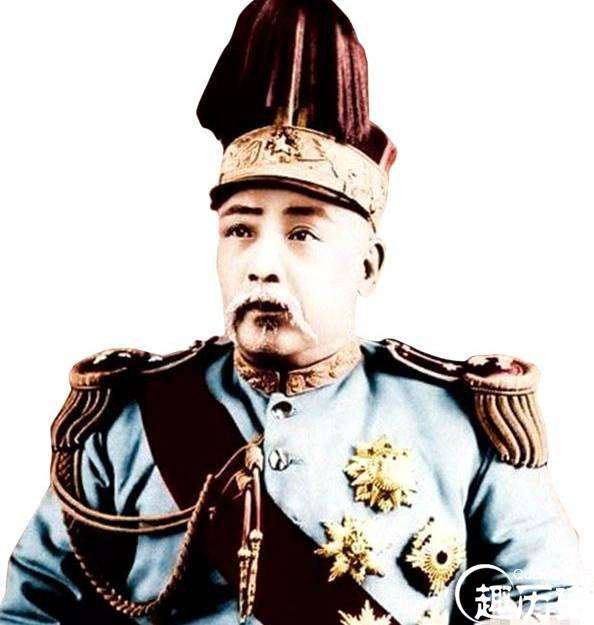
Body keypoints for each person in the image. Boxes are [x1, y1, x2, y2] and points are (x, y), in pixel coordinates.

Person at [0, 1, 581, 624]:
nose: (262, 264)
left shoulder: (462, 424)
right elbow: (30, 609)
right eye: (240, 231)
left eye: (302, 234)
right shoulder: (127, 422)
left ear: (368, 267)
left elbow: (550, 603)